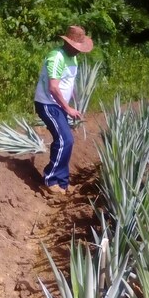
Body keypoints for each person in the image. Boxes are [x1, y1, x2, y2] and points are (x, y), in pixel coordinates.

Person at [34, 25, 93, 195]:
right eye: (76, 48)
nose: (78, 51)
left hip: (59, 105)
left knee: (67, 141)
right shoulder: (56, 57)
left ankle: (63, 184)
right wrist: (67, 108)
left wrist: (73, 100)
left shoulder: (72, 57)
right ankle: (51, 180)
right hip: (48, 104)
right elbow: (53, 87)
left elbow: (68, 82)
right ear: (67, 43)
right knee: (64, 140)